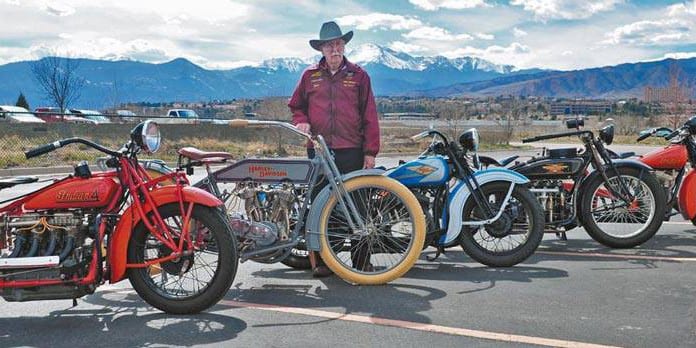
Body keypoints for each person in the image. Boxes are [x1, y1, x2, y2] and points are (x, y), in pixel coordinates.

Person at [288, 21, 380, 277]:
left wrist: (370, 152)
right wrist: (301, 121)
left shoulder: (359, 76)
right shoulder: (309, 76)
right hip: (318, 151)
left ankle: (361, 263)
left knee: (359, 206)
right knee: (318, 206)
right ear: (322, 49)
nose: (335, 49)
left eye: (339, 44)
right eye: (330, 45)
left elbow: (370, 115)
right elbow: (296, 106)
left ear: (344, 46)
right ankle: (323, 263)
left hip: (352, 150)